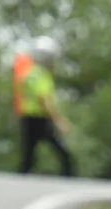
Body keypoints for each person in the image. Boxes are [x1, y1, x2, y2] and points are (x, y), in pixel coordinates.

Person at [13, 35, 71, 177]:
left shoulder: (29, 74)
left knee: (28, 153)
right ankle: (68, 176)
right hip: (40, 118)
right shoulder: (41, 75)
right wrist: (58, 120)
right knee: (62, 152)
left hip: (27, 117)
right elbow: (44, 99)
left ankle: (24, 175)